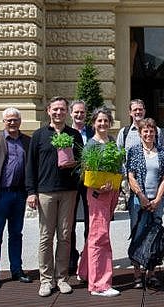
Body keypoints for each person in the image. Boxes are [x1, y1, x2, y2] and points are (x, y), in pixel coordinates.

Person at [26, 96, 83, 297]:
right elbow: (30, 166)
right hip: (45, 192)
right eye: (55, 109)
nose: (59, 113)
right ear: (48, 111)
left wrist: (73, 164)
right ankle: (46, 280)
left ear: (67, 112)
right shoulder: (39, 136)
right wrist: (31, 192)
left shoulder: (74, 134)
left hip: (68, 191)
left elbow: (81, 162)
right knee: (46, 237)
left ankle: (62, 278)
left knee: (65, 236)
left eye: (62, 109)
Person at [0, 107, 32, 289]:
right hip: (0, 195)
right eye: (9, 120)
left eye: (15, 120)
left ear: (20, 121)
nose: (12, 123)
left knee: (16, 234)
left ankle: (17, 270)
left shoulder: (27, 141)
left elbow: (30, 168)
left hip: (19, 194)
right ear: (4, 122)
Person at [77, 107, 122, 297]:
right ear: (94, 123)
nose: (103, 124)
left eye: (106, 121)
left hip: (111, 192)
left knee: (96, 233)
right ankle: (99, 284)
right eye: (99, 121)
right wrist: (97, 187)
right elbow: (85, 173)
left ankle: (85, 271)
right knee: (100, 237)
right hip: (97, 194)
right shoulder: (91, 145)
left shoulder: (112, 142)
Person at [127, 118, 164, 289]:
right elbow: (131, 176)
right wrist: (142, 197)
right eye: (145, 130)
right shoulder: (134, 151)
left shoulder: (162, 151)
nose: (149, 133)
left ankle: (151, 273)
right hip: (139, 201)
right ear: (140, 133)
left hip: (156, 200)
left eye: (152, 130)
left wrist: (158, 199)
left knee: (154, 236)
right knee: (138, 234)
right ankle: (137, 273)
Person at [69, 100, 94, 274]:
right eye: (76, 112)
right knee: (68, 222)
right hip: (70, 182)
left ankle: (88, 257)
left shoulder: (93, 133)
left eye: (82, 112)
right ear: (71, 113)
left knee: (90, 221)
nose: (79, 115)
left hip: (90, 182)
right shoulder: (65, 133)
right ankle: (71, 257)